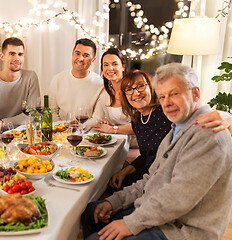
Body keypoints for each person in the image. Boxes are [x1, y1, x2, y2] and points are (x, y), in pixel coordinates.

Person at [81, 63, 232, 240]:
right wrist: (114, 202)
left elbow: (178, 198)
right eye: (162, 96)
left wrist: (130, 223)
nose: (167, 103)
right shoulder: (175, 129)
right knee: (91, 212)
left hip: (182, 228)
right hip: (156, 211)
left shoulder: (208, 133)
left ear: (195, 93)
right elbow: (151, 178)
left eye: (174, 94)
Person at [0, 37, 40, 128]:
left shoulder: (30, 77)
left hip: (22, 133)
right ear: (2, 57)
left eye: (20, 54)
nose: (16, 58)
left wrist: (1, 123)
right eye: (12, 54)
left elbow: (33, 114)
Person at [49, 38, 104, 121]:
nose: (80, 59)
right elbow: (52, 112)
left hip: (88, 131)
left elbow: (97, 117)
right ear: (72, 54)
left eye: (86, 56)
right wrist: (63, 129)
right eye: (77, 54)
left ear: (93, 60)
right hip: (61, 130)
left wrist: (81, 129)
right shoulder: (57, 80)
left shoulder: (99, 83)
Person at [87, 48, 133, 135]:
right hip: (116, 142)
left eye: (115, 64)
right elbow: (96, 118)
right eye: (106, 65)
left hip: (136, 145)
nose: (110, 68)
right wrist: (77, 126)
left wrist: (112, 129)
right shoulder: (105, 94)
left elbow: (143, 126)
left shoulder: (133, 91)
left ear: (123, 67)